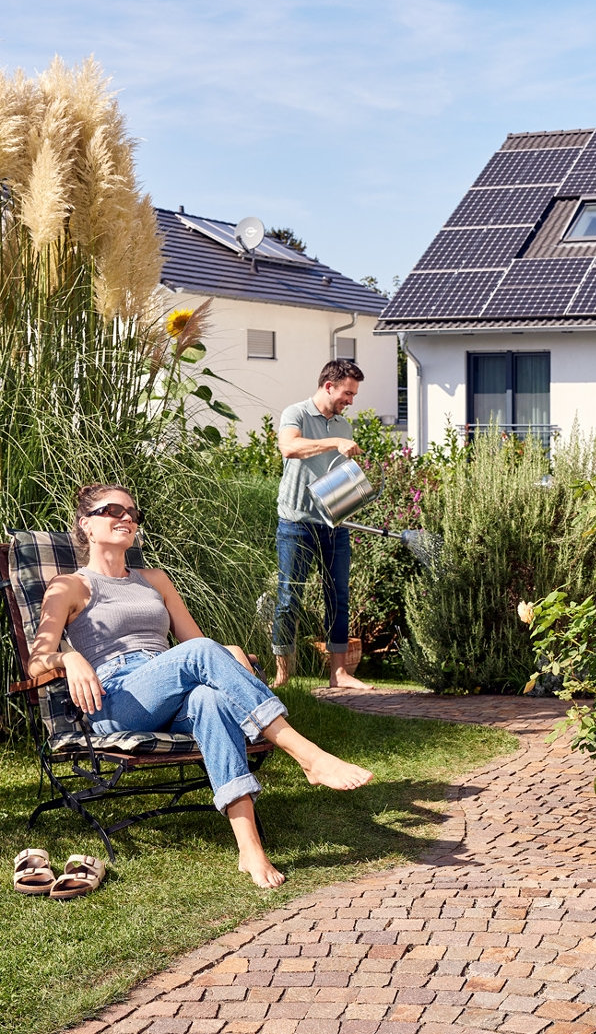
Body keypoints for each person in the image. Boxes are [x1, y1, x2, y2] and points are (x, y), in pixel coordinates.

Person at [28, 484, 374, 889]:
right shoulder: (69, 586)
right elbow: (36, 661)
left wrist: (231, 654)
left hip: (168, 686)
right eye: (113, 510)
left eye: (133, 513)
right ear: (86, 524)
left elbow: (195, 644)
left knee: (210, 699)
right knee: (203, 653)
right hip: (116, 699)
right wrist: (68, 658)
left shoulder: (155, 580)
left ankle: (250, 848)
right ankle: (307, 755)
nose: (127, 518)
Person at [272, 358, 372, 690]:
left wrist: (356, 494)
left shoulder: (344, 426)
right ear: (329, 386)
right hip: (296, 523)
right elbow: (289, 447)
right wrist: (334, 443)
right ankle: (283, 676)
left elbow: (338, 478)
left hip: (334, 524)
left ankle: (338, 674)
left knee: (338, 597)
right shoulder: (296, 413)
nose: (351, 400)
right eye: (347, 393)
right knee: (289, 598)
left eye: (354, 394)